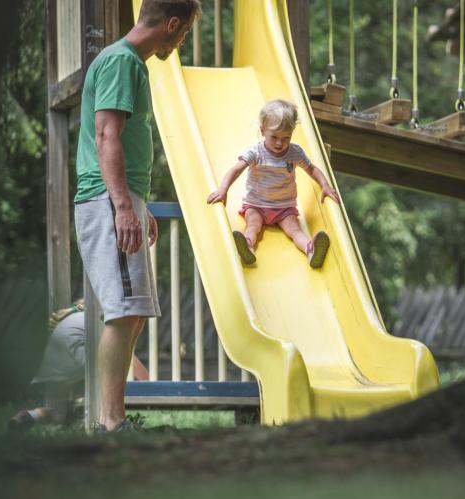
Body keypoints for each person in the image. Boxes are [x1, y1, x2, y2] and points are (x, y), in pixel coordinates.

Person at [74, 0, 201, 432]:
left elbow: (119, 141)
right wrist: (123, 206)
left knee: (134, 314)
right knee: (124, 312)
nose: (180, 41)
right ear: (171, 23)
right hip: (106, 201)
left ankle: (114, 418)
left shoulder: (127, 63)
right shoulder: (121, 62)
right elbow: (107, 134)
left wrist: (136, 200)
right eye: (183, 33)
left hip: (120, 198)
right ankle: (111, 423)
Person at [207, 99, 340, 268]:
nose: (280, 143)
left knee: (295, 230)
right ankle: (247, 246)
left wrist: (325, 185)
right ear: (262, 130)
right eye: (274, 137)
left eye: (286, 137)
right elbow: (236, 169)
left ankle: (310, 249)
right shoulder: (255, 152)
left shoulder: (294, 152)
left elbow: (312, 169)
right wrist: (223, 188)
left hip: (284, 207)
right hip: (256, 204)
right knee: (253, 225)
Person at [8, 303, 149, 433]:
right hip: (77, 360)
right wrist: (149, 383)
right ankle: (95, 423)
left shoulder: (74, 317)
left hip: (52, 367)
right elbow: (121, 356)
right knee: (105, 386)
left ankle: (27, 417)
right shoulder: (102, 323)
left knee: (57, 413)